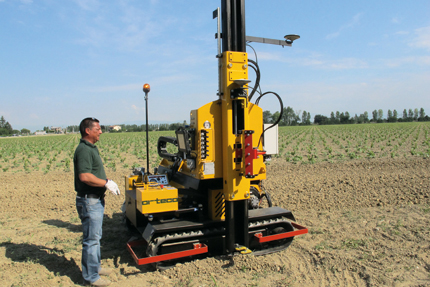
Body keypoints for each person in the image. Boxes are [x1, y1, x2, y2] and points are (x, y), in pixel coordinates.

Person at [74, 117, 120, 287]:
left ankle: (95, 268)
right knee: (91, 240)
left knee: (96, 237)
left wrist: (105, 180)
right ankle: (91, 277)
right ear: (88, 131)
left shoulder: (91, 148)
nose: (101, 132)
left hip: (95, 200)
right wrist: (105, 183)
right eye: (98, 129)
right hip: (89, 201)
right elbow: (85, 176)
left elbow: (93, 173)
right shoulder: (84, 150)